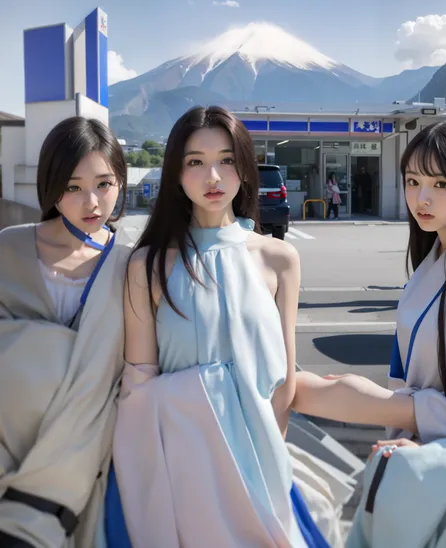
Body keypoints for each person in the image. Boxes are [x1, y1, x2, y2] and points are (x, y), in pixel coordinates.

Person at [105, 106, 330, 547]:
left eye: (227, 160)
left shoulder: (279, 259)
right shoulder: (148, 265)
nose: (213, 176)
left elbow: (283, 378)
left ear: (245, 169)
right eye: (195, 162)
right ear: (175, 173)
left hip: (261, 467)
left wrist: (266, 457)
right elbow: (139, 385)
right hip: (183, 472)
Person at [292, 122, 446, 547]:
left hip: (443, 473)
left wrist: (393, 412)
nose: (420, 198)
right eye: (412, 181)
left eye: (441, 183)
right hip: (418, 464)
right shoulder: (433, 263)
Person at [0, 117, 132, 547]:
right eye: (73, 187)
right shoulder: (9, 247)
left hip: (86, 455)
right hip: (8, 443)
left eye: (104, 184)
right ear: (50, 185)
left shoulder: (132, 264)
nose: (91, 202)